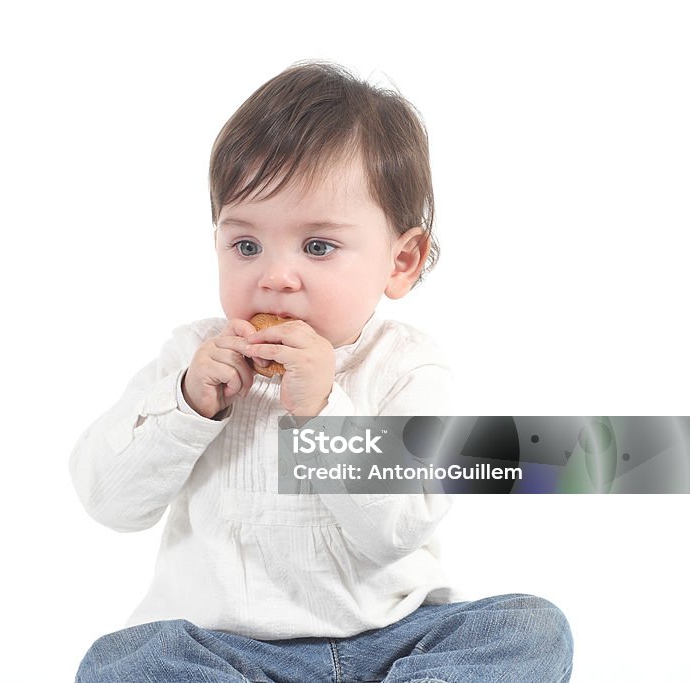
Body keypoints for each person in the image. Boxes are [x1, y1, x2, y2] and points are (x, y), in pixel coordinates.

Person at [70, 61, 573, 682]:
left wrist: (321, 411)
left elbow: (397, 528)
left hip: (392, 642)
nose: (275, 275)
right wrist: (188, 407)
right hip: (228, 653)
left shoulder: (409, 367)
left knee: (528, 628)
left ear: (402, 261)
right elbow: (108, 501)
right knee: (125, 662)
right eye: (246, 245)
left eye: (318, 246)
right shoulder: (194, 359)